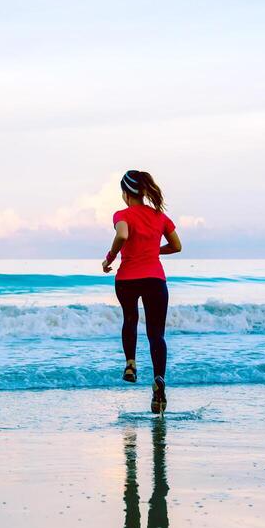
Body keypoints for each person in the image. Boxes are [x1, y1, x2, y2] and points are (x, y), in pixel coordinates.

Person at [101, 169, 181, 413]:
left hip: (127, 279)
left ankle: (130, 365)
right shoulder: (159, 217)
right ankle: (159, 380)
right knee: (156, 334)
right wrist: (153, 251)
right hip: (155, 279)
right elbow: (177, 246)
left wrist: (109, 257)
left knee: (130, 318)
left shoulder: (122, 214)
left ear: (126, 193)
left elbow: (123, 234)